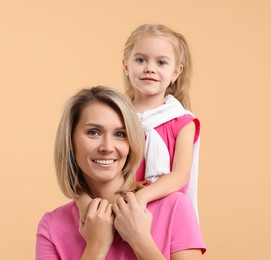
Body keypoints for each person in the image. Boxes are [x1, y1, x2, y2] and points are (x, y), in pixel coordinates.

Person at [35, 86, 206, 259]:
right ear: (70, 141)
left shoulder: (174, 206)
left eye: (120, 134)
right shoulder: (52, 226)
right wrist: (95, 247)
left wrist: (140, 239)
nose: (107, 147)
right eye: (93, 132)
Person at [122, 24, 201, 219]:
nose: (150, 68)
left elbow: (180, 175)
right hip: (122, 207)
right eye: (140, 60)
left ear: (176, 72)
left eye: (161, 63)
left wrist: (143, 197)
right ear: (126, 66)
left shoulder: (182, 121)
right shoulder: (116, 116)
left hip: (166, 211)